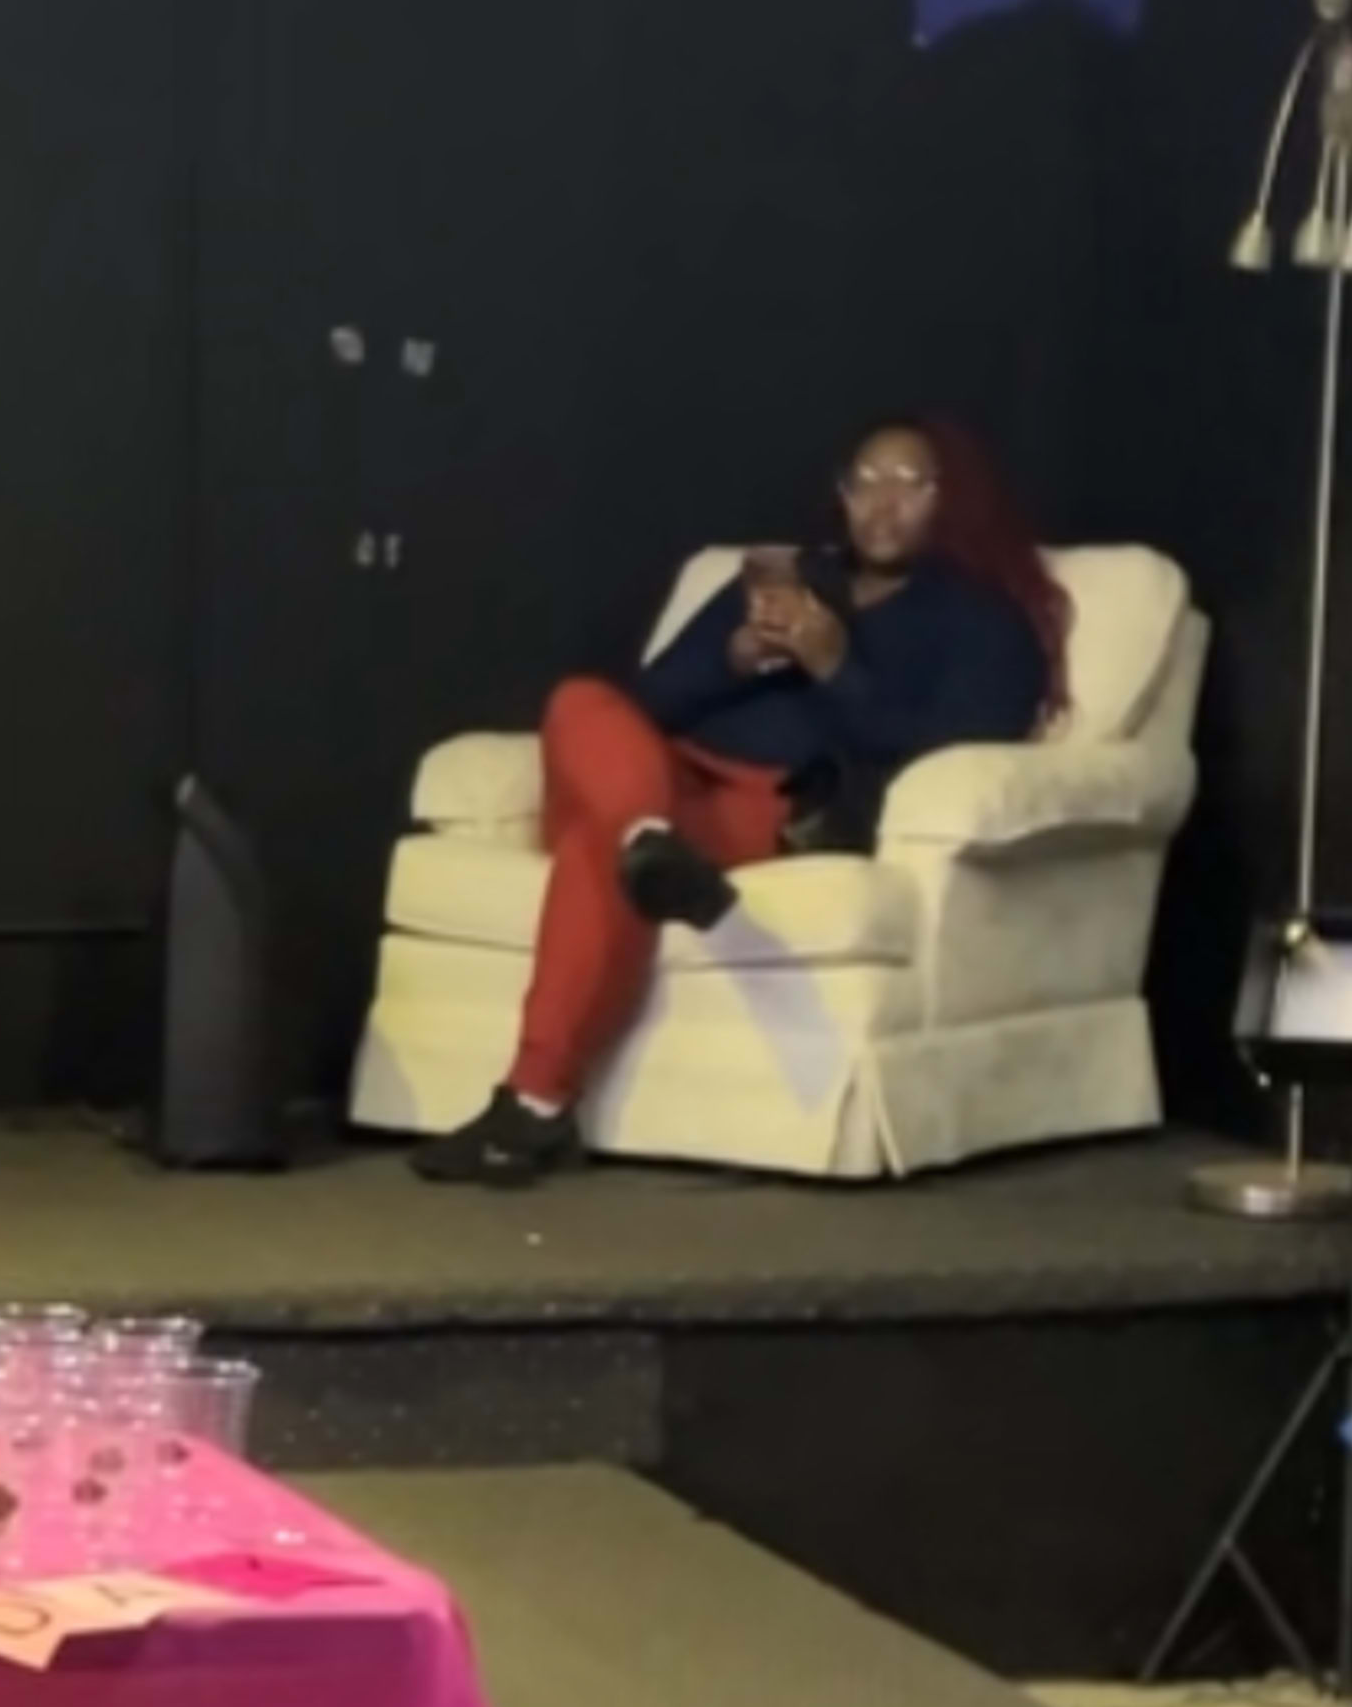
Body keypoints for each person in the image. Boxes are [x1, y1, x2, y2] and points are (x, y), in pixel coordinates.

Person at [414, 415, 1068, 1188]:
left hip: (765, 800)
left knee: (601, 849)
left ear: (952, 499)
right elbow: (649, 700)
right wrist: (736, 656)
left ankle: (532, 1102)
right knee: (580, 702)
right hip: (658, 776)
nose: (880, 506)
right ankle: (648, 838)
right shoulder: (787, 578)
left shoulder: (981, 621)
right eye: (864, 483)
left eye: (908, 485)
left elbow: (943, 751)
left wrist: (835, 667)